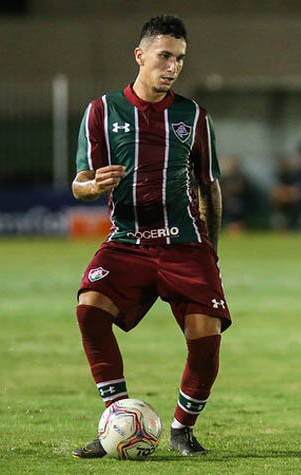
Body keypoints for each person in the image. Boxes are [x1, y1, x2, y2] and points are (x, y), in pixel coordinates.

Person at [70, 15, 230, 458]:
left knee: (206, 335)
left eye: (179, 59)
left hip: (184, 243)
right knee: (89, 310)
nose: (173, 66)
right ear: (140, 56)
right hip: (127, 241)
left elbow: (209, 186)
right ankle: (118, 421)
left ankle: (181, 428)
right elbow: (79, 181)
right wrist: (92, 187)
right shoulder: (101, 111)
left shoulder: (193, 115)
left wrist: (211, 252)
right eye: (164, 56)